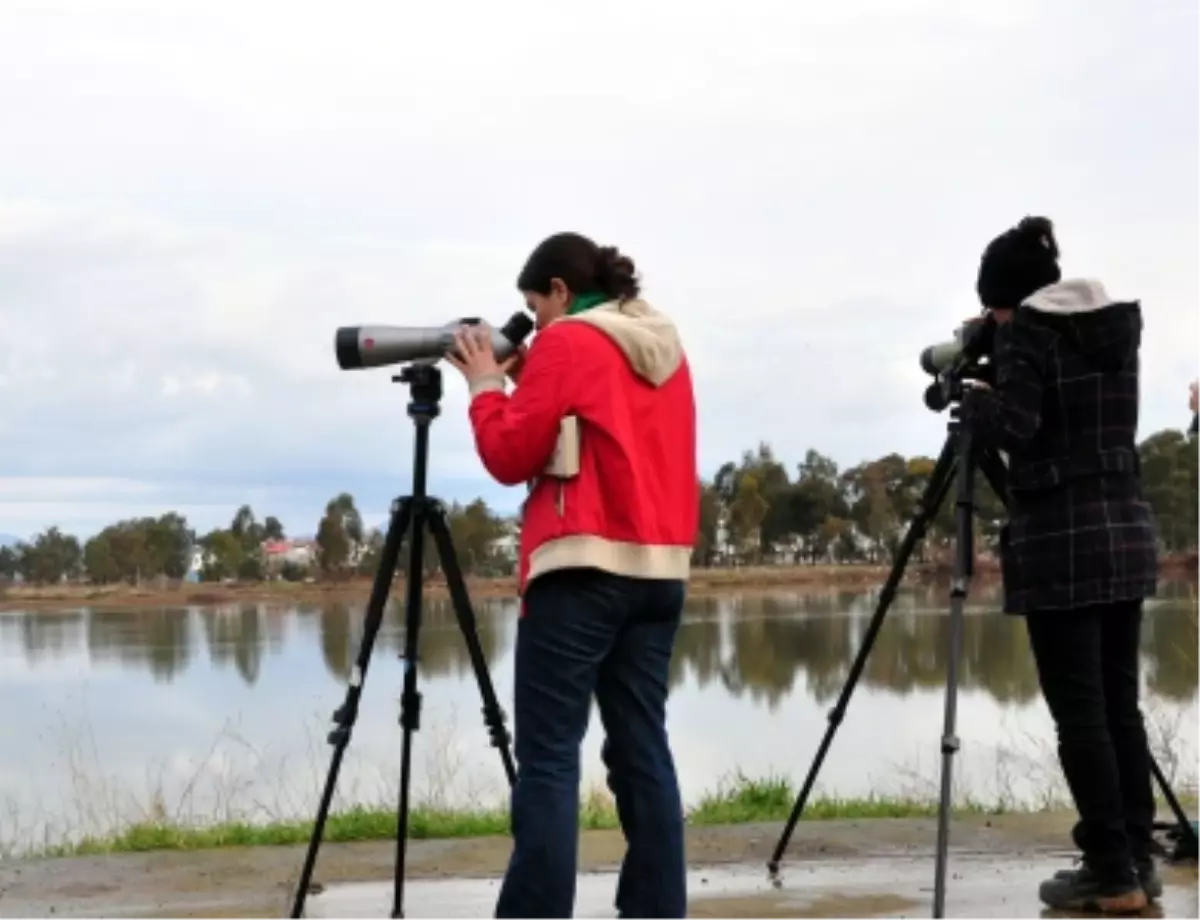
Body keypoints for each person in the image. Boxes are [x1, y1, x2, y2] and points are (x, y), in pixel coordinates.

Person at [447, 231, 698, 920]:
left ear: (560, 290)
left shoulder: (569, 340)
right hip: (659, 573)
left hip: (579, 573)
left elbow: (509, 454)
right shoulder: (663, 349)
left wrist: (486, 386)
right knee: (642, 748)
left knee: (551, 759)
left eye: (536, 308)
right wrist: (530, 374)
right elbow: (599, 420)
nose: (536, 324)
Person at [960, 216, 1161, 914]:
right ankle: (1136, 859)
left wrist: (975, 402)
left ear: (1008, 299)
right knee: (1119, 706)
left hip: (1061, 545)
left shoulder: (1027, 334)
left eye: (995, 308)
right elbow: (1068, 413)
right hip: (1126, 532)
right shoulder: (1115, 330)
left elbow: (1017, 427)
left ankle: (1109, 873)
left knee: (1080, 715)